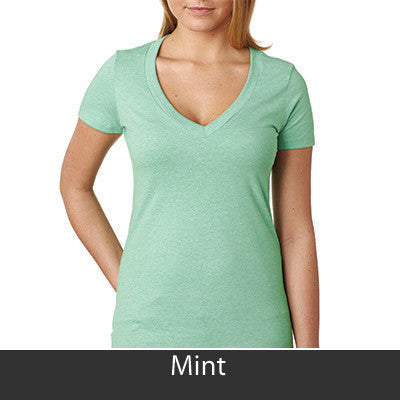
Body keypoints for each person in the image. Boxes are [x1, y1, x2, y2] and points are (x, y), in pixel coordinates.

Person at [60, 0, 319, 348]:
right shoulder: (123, 74)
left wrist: (310, 351)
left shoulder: (283, 84)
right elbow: (75, 185)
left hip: (257, 330)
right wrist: (128, 283)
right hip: (148, 332)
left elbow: (296, 232)